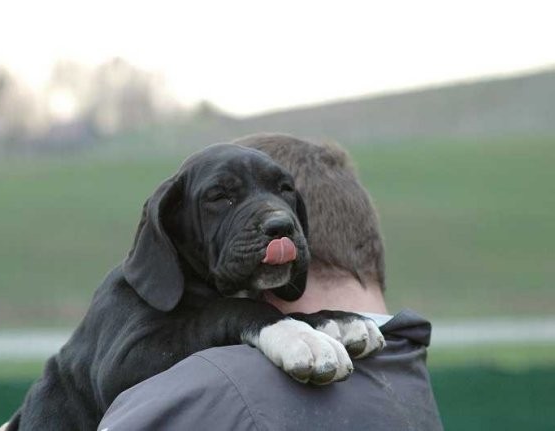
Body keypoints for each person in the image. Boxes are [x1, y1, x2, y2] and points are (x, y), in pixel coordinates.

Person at [97, 133, 443, 431]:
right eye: (222, 197)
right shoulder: (409, 375)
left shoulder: (213, 390)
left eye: (282, 191)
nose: (273, 216)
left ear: (305, 227)